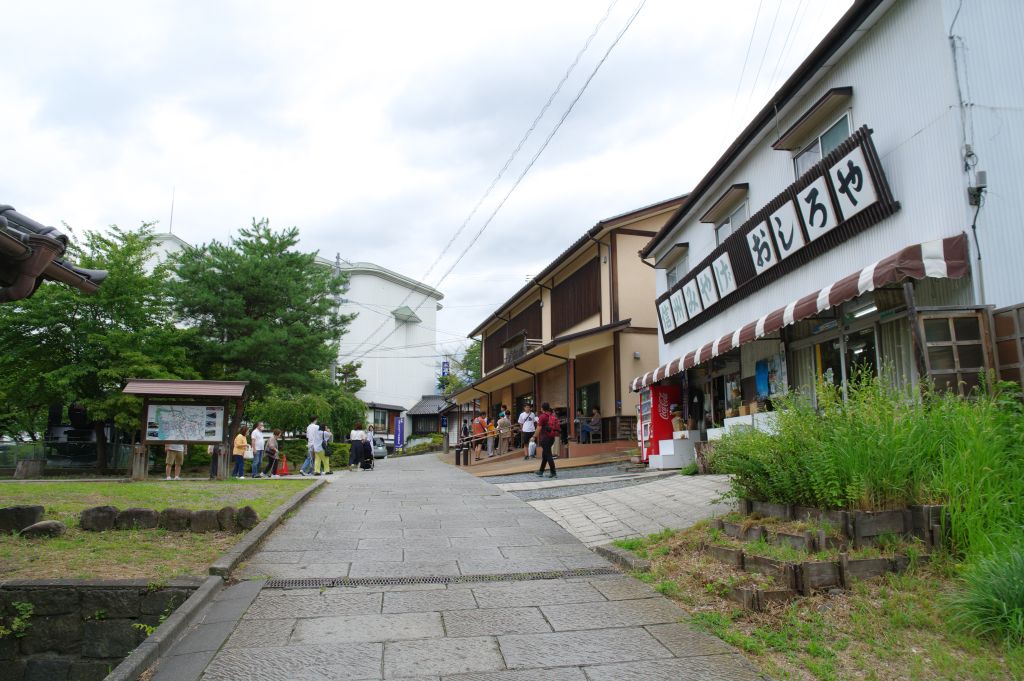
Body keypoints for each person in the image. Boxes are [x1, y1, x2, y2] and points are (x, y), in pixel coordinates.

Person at [535, 402, 559, 478]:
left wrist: (534, 436)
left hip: (545, 438)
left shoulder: (542, 417)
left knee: (548, 455)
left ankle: (553, 472)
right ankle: (541, 471)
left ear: (542, 408)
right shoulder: (551, 415)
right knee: (545, 455)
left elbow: (539, 428)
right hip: (552, 437)